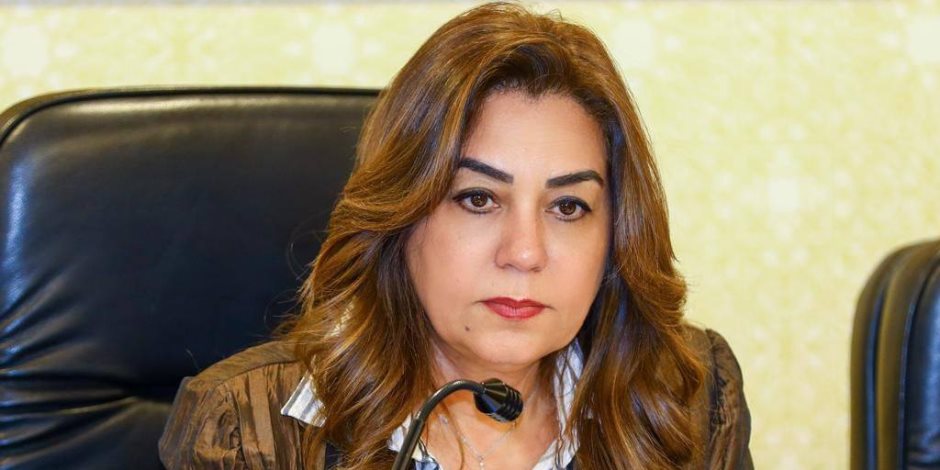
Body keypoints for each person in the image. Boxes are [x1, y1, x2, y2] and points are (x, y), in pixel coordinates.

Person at [159, 2, 752, 469]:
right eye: (478, 199)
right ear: (401, 215)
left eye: (568, 206)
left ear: (616, 236)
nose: (524, 253)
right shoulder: (247, 427)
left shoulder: (687, 397)